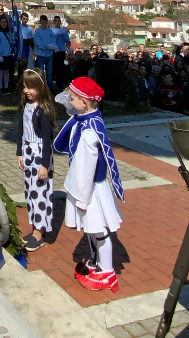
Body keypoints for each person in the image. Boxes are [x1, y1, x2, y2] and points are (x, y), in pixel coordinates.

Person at [54, 77, 124, 292]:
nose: (70, 102)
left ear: (84, 102)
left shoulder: (89, 130)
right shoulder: (86, 119)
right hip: (87, 186)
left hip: (90, 188)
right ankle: (95, 263)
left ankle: (107, 271)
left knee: (99, 230)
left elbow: (85, 167)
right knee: (92, 230)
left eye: (73, 99)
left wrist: (82, 198)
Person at [16, 67, 56, 252]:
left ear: (40, 88)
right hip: (28, 152)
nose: (27, 91)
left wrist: (44, 165)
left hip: (40, 154)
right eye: (25, 86)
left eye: (31, 87)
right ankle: (34, 228)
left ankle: (39, 232)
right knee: (30, 192)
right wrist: (20, 152)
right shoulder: (25, 107)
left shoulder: (43, 111)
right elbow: (20, 130)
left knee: (40, 193)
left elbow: (47, 140)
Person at [0, 14, 16, 95]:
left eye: (5, 22)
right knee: (1, 72)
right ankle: (0, 87)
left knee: (7, 72)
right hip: (1, 55)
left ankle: (6, 87)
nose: (4, 24)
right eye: (2, 22)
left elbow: (12, 41)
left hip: (8, 54)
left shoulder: (9, 32)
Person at [33, 15, 57, 89]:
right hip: (41, 55)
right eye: (43, 22)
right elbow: (38, 43)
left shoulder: (49, 31)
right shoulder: (38, 31)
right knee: (41, 72)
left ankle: (50, 87)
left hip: (49, 55)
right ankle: (41, 87)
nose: (44, 24)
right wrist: (47, 46)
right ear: (40, 22)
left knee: (49, 72)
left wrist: (53, 46)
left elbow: (53, 40)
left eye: (45, 22)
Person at [51, 15, 71, 87]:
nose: (57, 23)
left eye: (58, 21)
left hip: (61, 50)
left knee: (60, 67)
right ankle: (51, 82)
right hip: (53, 50)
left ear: (60, 22)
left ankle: (59, 83)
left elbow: (67, 41)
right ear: (54, 22)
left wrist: (63, 35)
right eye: (56, 21)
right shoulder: (51, 30)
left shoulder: (63, 30)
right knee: (53, 66)